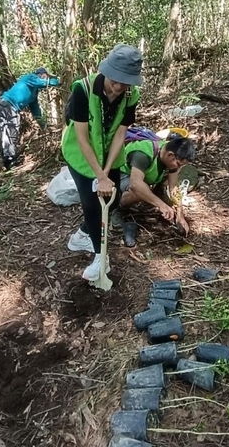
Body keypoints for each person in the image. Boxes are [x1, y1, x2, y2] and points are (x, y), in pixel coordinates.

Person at [61, 44, 143, 281]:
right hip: (81, 154)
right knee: (93, 203)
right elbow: (82, 138)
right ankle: (101, 257)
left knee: (114, 197)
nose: (118, 87)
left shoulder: (130, 95)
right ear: (106, 71)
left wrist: (106, 172)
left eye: (125, 82)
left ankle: (82, 236)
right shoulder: (83, 89)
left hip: (109, 152)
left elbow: (121, 133)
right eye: (115, 80)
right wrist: (99, 175)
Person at [117, 137, 196, 246]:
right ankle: (119, 206)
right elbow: (135, 184)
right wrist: (161, 205)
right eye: (178, 164)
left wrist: (180, 214)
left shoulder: (170, 159)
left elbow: (173, 187)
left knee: (148, 188)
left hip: (143, 176)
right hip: (121, 175)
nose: (178, 168)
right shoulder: (143, 154)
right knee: (140, 190)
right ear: (170, 155)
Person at [0, 67, 59, 169]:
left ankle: (7, 159)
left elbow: (36, 110)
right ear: (42, 74)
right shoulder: (30, 78)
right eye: (46, 76)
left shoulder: (34, 93)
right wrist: (56, 82)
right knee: (10, 131)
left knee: (9, 131)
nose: (46, 78)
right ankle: (9, 160)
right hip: (7, 105)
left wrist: (43, 125)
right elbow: (43, 83)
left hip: (8, 107)